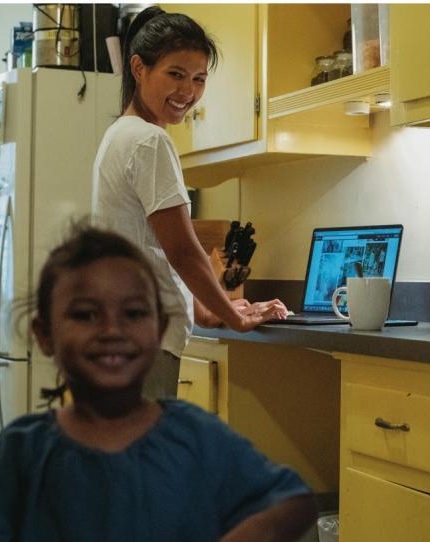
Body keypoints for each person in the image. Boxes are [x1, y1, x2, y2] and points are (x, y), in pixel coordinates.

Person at [0, 224, 317, 542]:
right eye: (85, 314)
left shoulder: (197, 437)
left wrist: (249, 538)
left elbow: (294, 500)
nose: (112, 330)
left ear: (158, 329)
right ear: (45, 335)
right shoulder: (21, 452)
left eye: (133, 313)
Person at [92, 6, 288, 400]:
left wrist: (205, 310)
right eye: (176, 75)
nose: (188, 92)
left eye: (199, 79)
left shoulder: (118, 135)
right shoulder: (150, 141)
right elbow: (181, 251)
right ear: (139, 68)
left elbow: (148, 250)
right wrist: (233, 315)